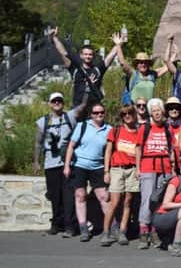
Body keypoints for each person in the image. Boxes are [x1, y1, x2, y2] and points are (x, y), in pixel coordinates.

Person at [33, 91, 87, 237]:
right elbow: (38, 143)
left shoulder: (69, 116)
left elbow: (83, 106)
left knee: (68, 196)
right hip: (50, 163)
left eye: (60, 101)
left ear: (63, 103)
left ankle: (70, 227)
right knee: (54, 196)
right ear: (50, 104)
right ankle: (56, 224)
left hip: (67, 163)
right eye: (54, 101)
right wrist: (36, 161)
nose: (57, 103)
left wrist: (87, 89)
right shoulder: (43, 122)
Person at [63, 103, 112, 242]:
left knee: (104, 196)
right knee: (80, 195)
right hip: (80, 165)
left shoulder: (108, 129)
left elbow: (109, 151)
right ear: (91, 114)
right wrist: (67, 166)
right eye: (95, 113)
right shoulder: (82, 126)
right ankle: (83, 227)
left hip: (98, 165)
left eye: (101, 112)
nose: (99, 115)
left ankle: (111, 225)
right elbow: (71, 146)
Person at [135, 98, 176, 250]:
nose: (157, 113)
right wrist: (138, 168)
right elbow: (138, 148)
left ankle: (154, 231)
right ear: (151, 113)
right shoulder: (144, 128)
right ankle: (143, 232)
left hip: (164, 167)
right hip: (148, 166)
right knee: (147, 200)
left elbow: (171, 149)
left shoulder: (167, 128)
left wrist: (172, 168)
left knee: (159, 201)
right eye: (154, 111)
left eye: (159, 110)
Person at [49, 28, 118, 116]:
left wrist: (118, 44)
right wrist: (55, 38)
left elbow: (110, 56)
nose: (88, 56)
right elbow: (63, 52)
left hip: (95, 110)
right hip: (77, 108)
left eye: (90, 54)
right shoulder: (75, 68)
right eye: (85, 54)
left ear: (93, 56)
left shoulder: (98, 69)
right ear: (81, 55)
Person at [101, 105, 139, 246]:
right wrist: (106, 171)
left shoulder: (138, 132)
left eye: (130, 113)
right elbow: (108, 151)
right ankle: (106, 232)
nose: (127, 116)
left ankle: (123, 231)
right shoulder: (115, 131)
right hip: (117, 169)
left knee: (128, 201)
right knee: (115, 201)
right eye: (124, 114)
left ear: (134, 115)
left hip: (132, 169)